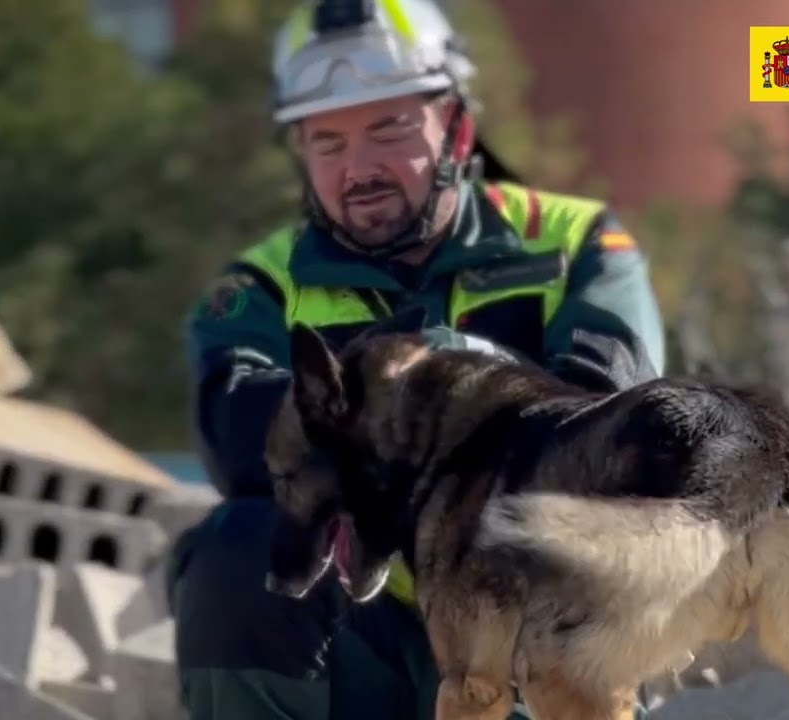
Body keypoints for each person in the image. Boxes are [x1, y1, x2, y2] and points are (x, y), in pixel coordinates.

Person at [173, 1, 667, 718]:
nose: (359, 168)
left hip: (528, 616)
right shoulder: (258, 288)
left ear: (457, 128)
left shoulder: (576, 244)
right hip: (360, 632)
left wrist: (387, 398)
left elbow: (602, 423)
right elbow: (240, 443)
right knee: (236, 550)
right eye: (328, 143)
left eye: (389, 129)